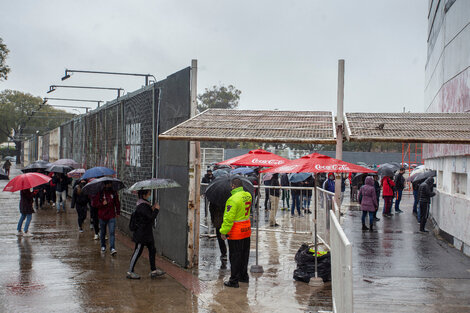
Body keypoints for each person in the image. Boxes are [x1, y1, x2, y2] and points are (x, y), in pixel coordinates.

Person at [220, 178, 252, 288]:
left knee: (235, 256)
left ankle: (234, 280)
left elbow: (229, 218)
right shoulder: (248, 195)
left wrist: (223, 232)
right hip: (246, 230)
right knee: (244, 255)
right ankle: (244, 276)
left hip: (236, 232)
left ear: (233, 186)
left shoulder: (232, 199)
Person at [127, 189, 165, 279]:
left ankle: (153, 270)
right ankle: (130, 271)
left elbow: (146, 215)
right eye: (149, 193)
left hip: (147, 233)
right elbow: (150, 218)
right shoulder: (142, 206)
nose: (150, 195)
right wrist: (156, 210)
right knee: (138, 251)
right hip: (142, 234)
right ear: (144, 195)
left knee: (152, 249)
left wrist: (151, 208)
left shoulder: (144, 204)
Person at [92, 182, 120, 255]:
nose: (108, 185)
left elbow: (117, 202)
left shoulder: (113, 193)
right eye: (107, 184)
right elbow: (94, 204)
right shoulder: (100, 193)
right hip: (102, 216)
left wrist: (118, 212)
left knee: (111, 232)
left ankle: (112, 248)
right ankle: (103, 246)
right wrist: (101, 204)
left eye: (110, 184)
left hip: (111, 215)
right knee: (103, 232)